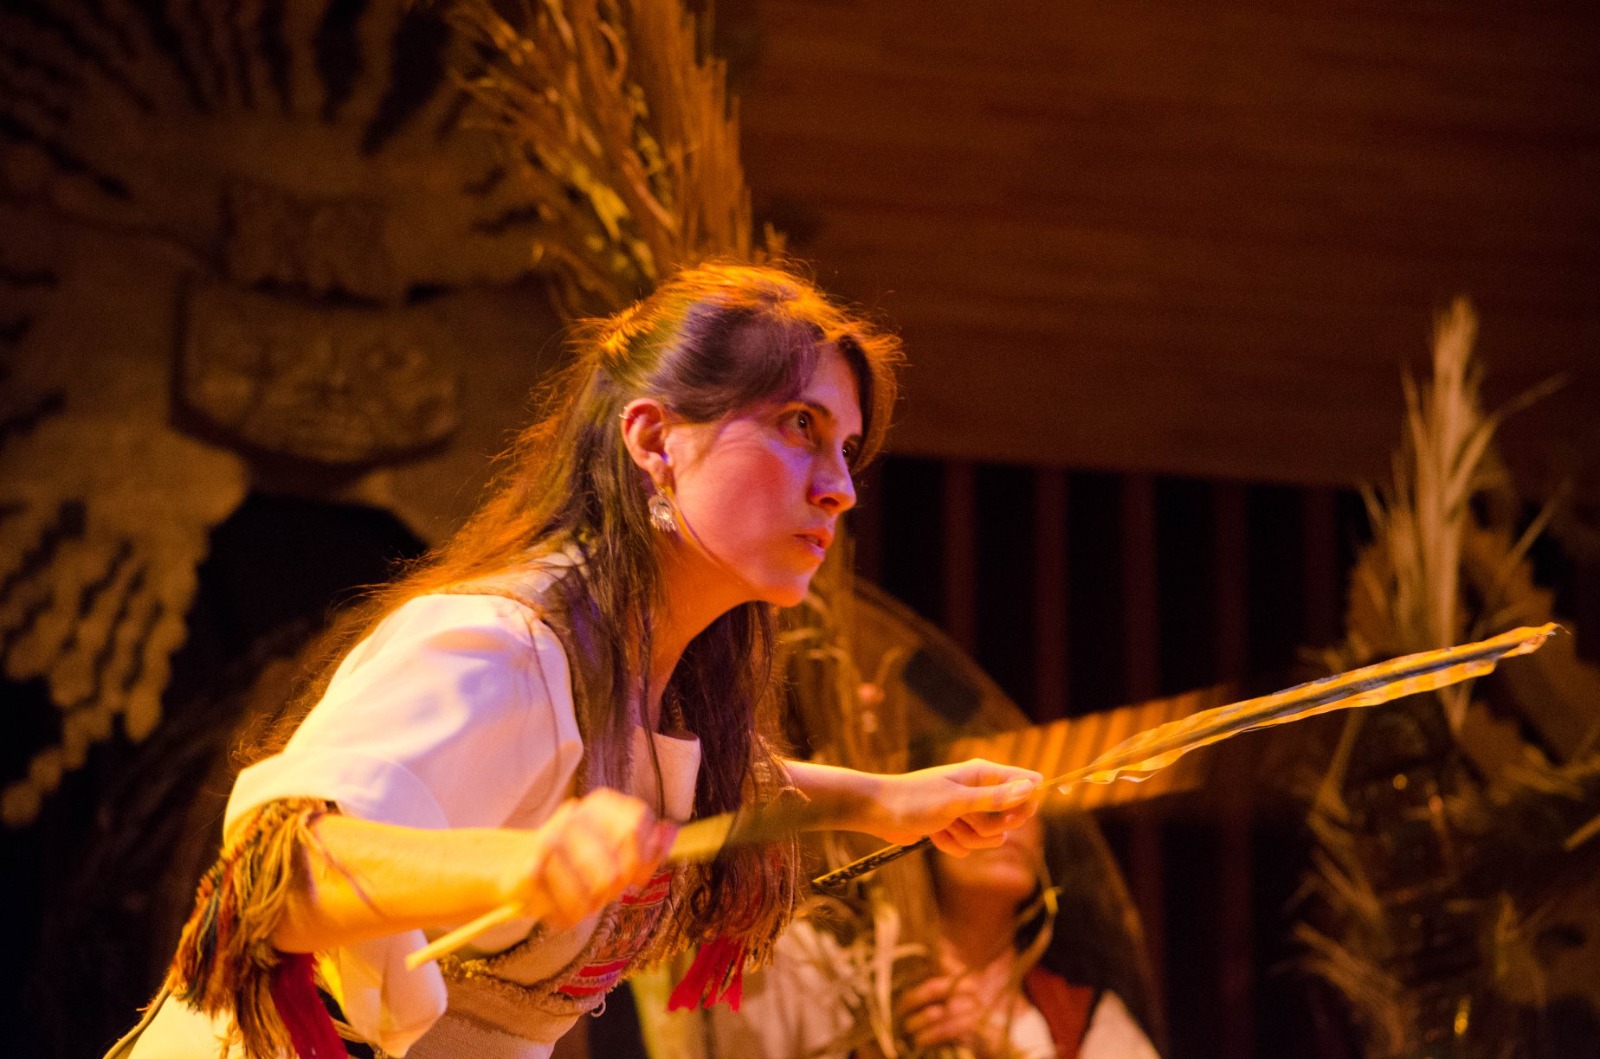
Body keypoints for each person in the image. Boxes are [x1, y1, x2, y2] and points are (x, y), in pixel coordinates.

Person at [106, 262, 1042, 1059]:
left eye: (844, 450)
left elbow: (707, 786)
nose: (838, 489)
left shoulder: (642, 675)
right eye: (800, 425)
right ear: (653, 439)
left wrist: (886, 800)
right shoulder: (503, 643)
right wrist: (518, 862)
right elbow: (283, 870)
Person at [705, 812, 1161, 1059]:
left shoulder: (1083, 1017)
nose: (1007, 819)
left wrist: (999, 1051)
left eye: (1024, 802)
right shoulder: (831, 972)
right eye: (980, 799)